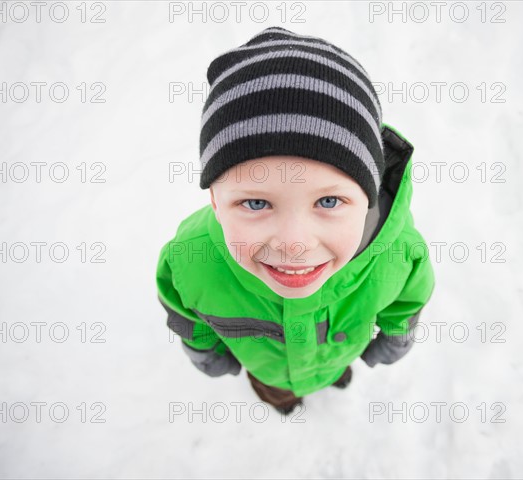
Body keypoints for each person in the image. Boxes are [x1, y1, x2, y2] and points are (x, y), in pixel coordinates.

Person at [156, 26, 436, 416]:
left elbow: (406, 304)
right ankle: (282, 398)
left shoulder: (400, 252)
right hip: (266, 370)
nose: (294, 243)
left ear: (367, 197)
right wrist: (209, 357)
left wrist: (393, 341)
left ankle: (331, 373)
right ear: (216, 203)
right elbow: (186, 317)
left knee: (335, 366)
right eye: (255, 202)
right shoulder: (191, 258)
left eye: (328, 200)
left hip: (338, 353)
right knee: (275, 391)